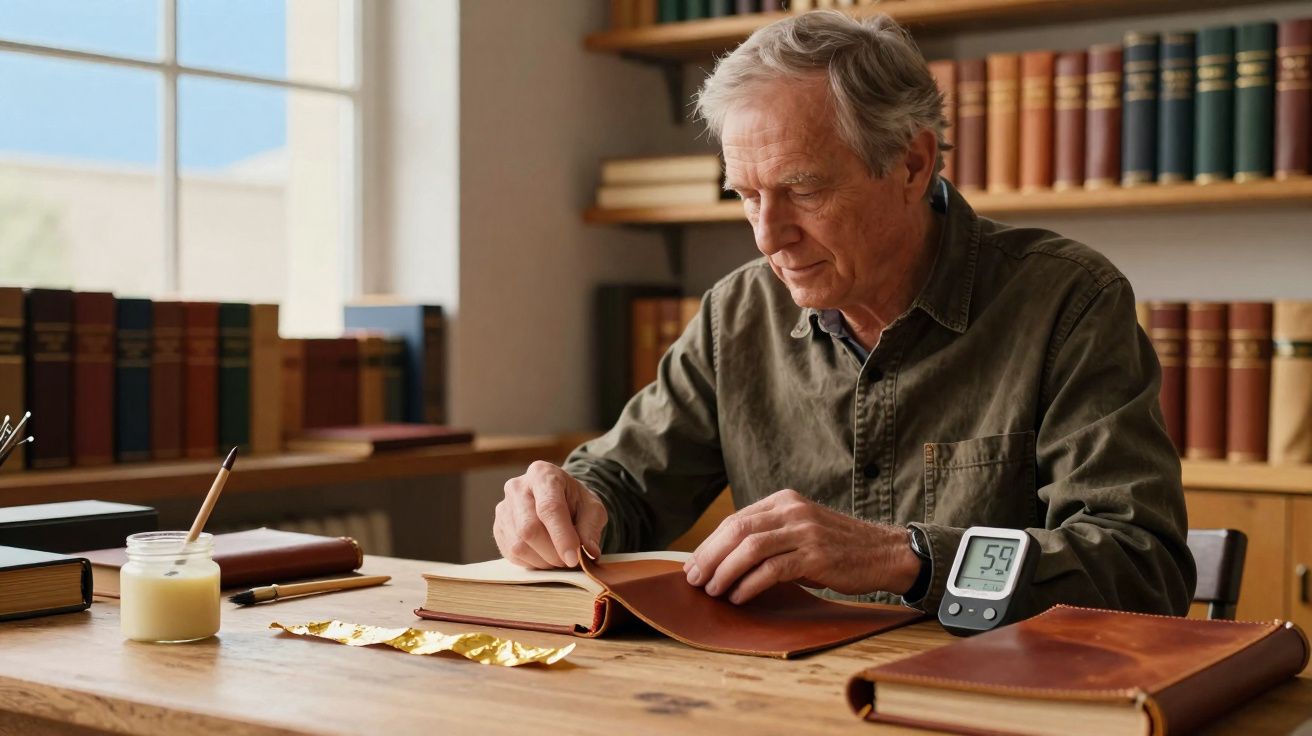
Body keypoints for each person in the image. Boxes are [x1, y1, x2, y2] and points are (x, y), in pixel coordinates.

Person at [493, 10, 1195, 615]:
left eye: (802, 190)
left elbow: (1141, 567)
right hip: (782, 694)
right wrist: (566, 504)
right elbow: (624, 485)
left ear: (912, 164)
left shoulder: (1068, 302)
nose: (768, 238)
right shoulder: (738, 313)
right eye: (747, 196)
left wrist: (906, 557)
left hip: (990, 697)